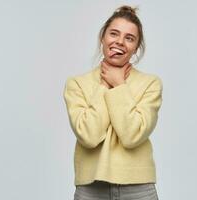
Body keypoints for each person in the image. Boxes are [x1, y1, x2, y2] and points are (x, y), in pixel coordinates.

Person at [63, 5, 163, 200]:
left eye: (129, 38)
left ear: (136, 48)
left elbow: (132, 135)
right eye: (114, 34)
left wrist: (119, 85)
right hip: (91, 189)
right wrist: (103, 85)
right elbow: (89, 136)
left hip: (138, 188)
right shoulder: (77, 84)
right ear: (103, 37)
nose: (120, 42)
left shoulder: (150, 84)